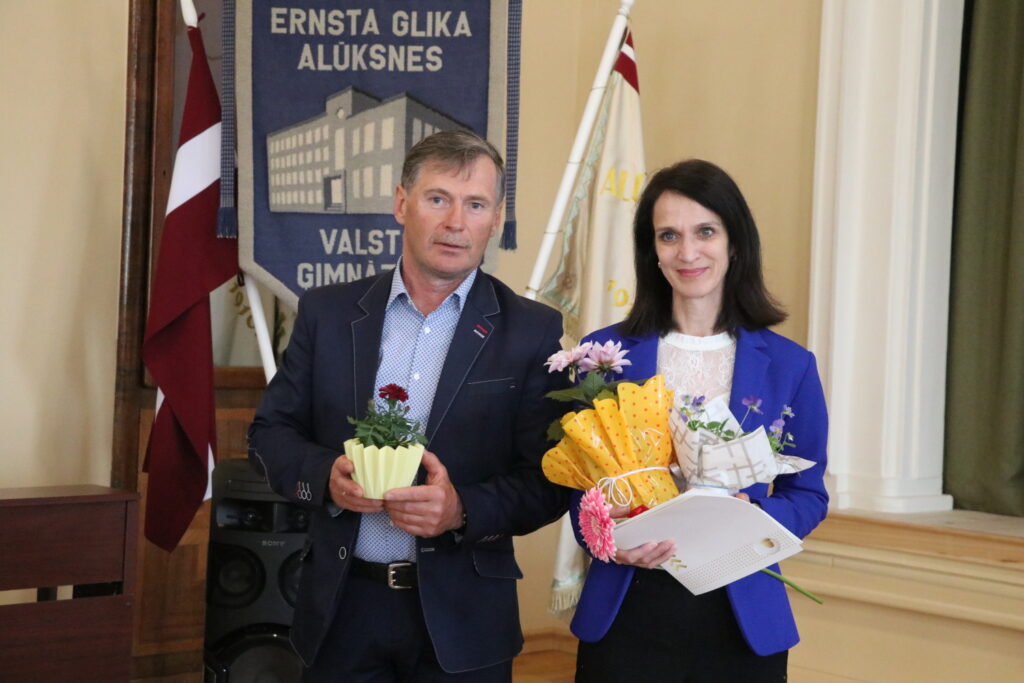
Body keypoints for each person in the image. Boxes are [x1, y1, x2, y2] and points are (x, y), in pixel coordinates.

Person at [248, 130, 570, 681]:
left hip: (465, 619)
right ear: (402, 204)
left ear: (495, 219)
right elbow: (269, 434)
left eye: (476, 205)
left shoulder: (531, 331)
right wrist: (325, 476)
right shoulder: (327, 313)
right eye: (437, 198)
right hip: (343, 610)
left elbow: (550, 480)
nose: (455, 222)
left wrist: (461, 509)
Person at [570, 159, 829, 681]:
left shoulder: (790, 365)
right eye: (669, 236)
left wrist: (750, 517)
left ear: (735, 243)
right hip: (627, 610)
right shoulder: (604, 355)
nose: (687, 253)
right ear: (652, 251)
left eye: (705, 231)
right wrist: (607, 530)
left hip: (741, 619)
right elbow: (575, 486)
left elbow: (808, 494)